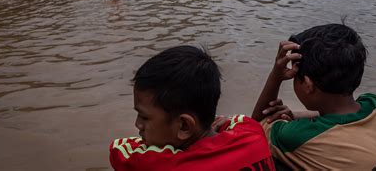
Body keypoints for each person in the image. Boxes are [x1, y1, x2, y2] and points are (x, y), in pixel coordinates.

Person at [252, 24, 376, 170]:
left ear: (308, 85)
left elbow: (256, 128)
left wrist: (276, 75)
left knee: (271, 158)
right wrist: (295, 116)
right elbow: (338, 119)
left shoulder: (298, 137)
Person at [110, 46, 275, 171]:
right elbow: (239, 120)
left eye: (144, 117)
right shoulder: (253, 134)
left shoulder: (167, 166)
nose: (138, 124)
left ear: (184, 126)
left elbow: (119, 149)